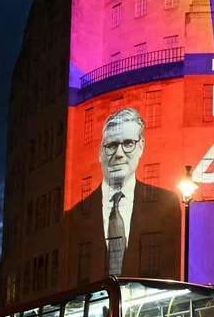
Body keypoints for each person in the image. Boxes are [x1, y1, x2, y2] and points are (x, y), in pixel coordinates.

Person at [73, 107, 182, 278]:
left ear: (141, 147)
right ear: (101, 152)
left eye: (128, 144)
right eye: (111, 145)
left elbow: (172, 270)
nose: (119, 154)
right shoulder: (76, 215)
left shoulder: (167, 202)